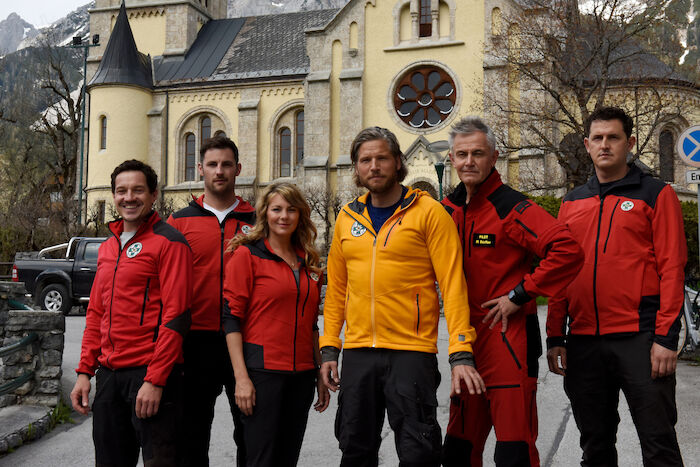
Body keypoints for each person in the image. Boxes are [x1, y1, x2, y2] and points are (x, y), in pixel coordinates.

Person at [320, 126, 484, 466]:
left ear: (398, 162)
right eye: (365, 160)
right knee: (354, 448)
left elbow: (453, 283)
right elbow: (337, 288)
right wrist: (329, 348)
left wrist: (461, 351)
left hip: (411, 352)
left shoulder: (429, 212)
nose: (374, 166)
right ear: (356, 168)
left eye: (382, 158)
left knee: (418, 452)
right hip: (359, 352)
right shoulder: (346, 217)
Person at [546, 106, 686, 466]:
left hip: (640, 339)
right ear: (587, 144)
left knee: (659, 445)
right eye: (598, 138)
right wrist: (556, 337)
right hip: (585, 343)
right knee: (595, 447)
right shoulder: (571, 202)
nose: (605, 144)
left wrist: (666, 338)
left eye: (614, 137)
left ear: (630, 143)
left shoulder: (656, 194)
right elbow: (560, 274)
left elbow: (672, 267)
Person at [440, 116, 583, 467]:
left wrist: (520, 294)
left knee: (513, 450)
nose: (469, 161)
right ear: (452, 159)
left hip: (509, 341)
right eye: (461, 154)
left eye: (478, 153)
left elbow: (567, 250)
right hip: (465, 341)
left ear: (494, 156)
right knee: (458, 449)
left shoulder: (510, 206)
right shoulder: (445, 211)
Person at [70, 160, 193, 466]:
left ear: (153, 195)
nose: (129, 197)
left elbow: (177, 317)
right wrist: (85, 372)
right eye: (122, 191)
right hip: (110, 377)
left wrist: (155, 379)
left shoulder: (170, 242)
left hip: (151, 375)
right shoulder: (109, 247)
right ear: (113, 196)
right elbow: (97, 312)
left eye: (138, 190)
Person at [222, 182, 330, 467]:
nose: (284, 216)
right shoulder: (247, 255)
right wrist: (241, 378)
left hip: (302, 376)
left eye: (291, 210)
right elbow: (231, 319)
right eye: (277, 209)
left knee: (287, 458)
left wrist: (319, 372)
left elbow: (311, 325)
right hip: (262, 374)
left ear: (300, 215)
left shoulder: (308, 262)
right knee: (260, 459)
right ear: (265, 214)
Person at [167, 135, 254, 466]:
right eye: (213, 165)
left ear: (238, 169)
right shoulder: (178, 222)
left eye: (227, 165)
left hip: (245, 341)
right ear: (200, 169)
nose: (220, 171)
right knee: (191, 435)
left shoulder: (257, 223)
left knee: (250, 430)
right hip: (194, 341)